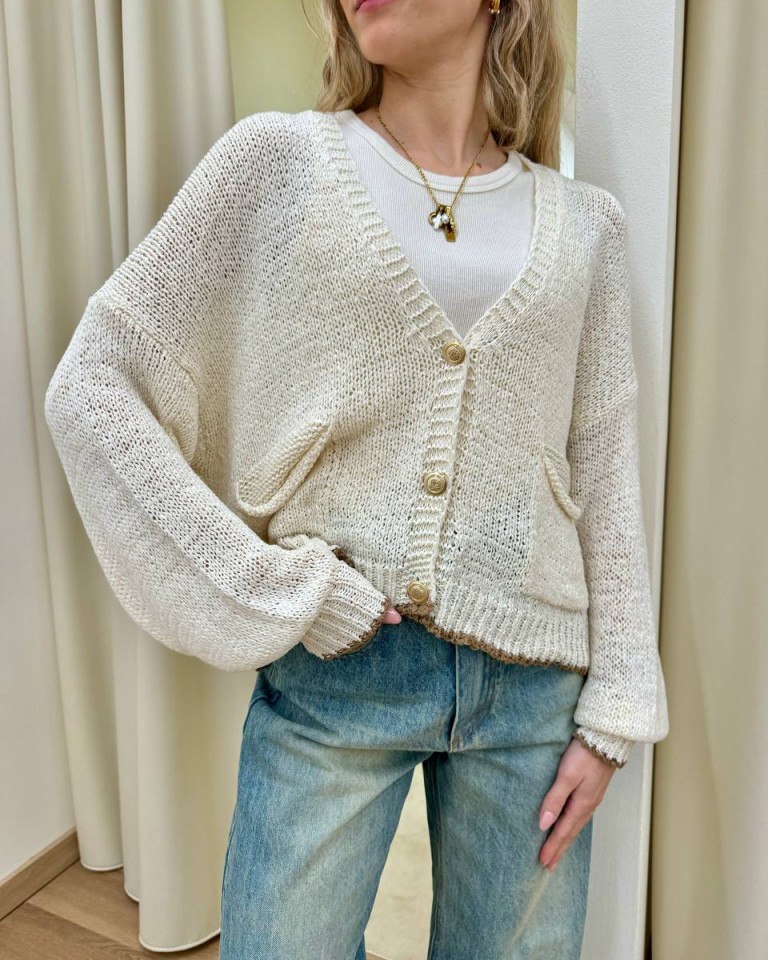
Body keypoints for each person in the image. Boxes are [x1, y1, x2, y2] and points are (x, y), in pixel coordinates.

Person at [44, 0, 670, 956]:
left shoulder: (588, 225)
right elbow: (93, 385)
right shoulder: (277, 163)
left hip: (535, 692)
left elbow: (604, 467)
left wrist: (613, 714)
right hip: (338, 673)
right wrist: (272, 588)